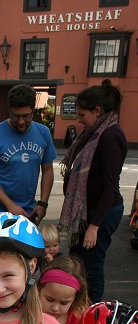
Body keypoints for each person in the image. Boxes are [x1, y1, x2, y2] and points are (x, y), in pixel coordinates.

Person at [59, 80, 127, 303]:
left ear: (97, 111)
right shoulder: (95, 133)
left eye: (82, 114)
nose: (79, 120)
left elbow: (110, 185)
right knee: (77, 260)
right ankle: (77, 305)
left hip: (101, 212)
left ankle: (93, 311)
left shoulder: (109, 137)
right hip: (89, 211)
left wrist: (94, 227)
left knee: (92, 264)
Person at [0, 84, 56, 225]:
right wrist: (9, 205)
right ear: (9, 111)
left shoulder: (43, 133)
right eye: (16, 116)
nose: (20, 121)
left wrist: (43, 203)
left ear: (33, 110)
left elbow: (48, 169)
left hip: (28, 213)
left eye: (25, 116)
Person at [38, 256, 90, 324]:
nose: (55, 308)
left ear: (75, 299)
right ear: (38, 290)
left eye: (63, 303)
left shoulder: (80, 323)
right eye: (49, 299)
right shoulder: (26, 315)